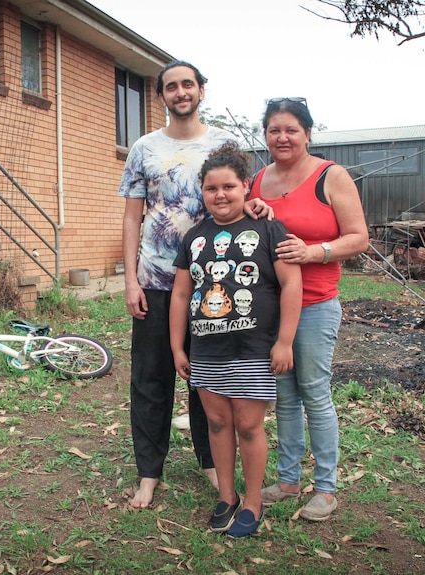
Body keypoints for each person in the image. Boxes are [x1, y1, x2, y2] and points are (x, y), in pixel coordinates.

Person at [118, 61, 271, 509]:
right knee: (150, 378)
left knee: (209, 378)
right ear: (161, 95)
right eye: (171, 86)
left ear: (201, 90)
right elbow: (131, 217)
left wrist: (258, 204)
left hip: (213, 287)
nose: (180, 92)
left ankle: (211, 462)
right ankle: (149, 472)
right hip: (155, 281)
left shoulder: (224, 143)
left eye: (188, 84)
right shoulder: (144, 148)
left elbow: (244, 194)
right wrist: (131, 280)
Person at [170, 142, 302, 537]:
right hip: (207, 349)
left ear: (246, 186)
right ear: (203, 193)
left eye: (228, 186)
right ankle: (226, 496)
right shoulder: (194, 236)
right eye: (211, 189)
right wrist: (178, 346)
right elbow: (180, 294)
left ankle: (253, 500)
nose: (220, 195)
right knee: (216, 422)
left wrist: (285, 341)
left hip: (252, 349)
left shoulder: (266, 227)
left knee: (248, 425)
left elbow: (290, 282)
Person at [249, 97, 369, 521]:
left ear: (308, 133)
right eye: (274, 130)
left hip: (317, 304)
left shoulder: (330, 176)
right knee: (282, 396)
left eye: (291, 130)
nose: (282, 137)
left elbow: (359, 238)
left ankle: (326, 488)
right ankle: (286, 480)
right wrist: (254, 212)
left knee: (314, 393)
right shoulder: (257, 180)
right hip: (271, 307)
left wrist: (314, 251)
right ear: (265, 135)